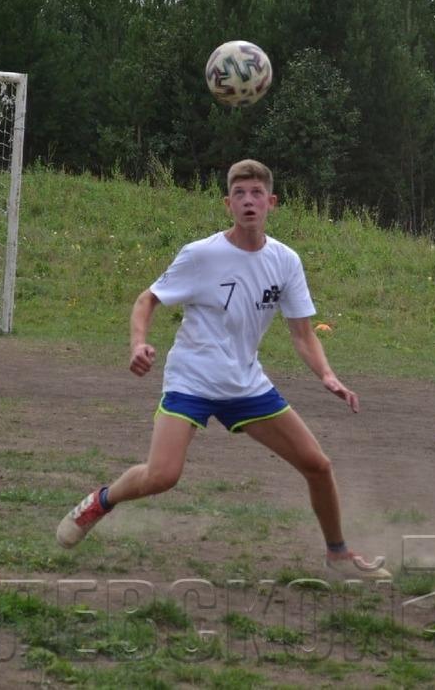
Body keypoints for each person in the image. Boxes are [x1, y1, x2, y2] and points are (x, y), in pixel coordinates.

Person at [56, 159, 389, 580]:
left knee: (317, 465)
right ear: (227, 204)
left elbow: (303, 334)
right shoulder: (202, 255)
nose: (248, 201)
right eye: (239, 193)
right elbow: (147, 300)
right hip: (191, 380)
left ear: (272, 202)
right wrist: (138, 343)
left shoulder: (285, 261)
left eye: (256, 194)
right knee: (162, 476)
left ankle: (338, 555)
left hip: (246, 385)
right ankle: (101, 501)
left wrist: (327, 375)